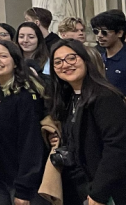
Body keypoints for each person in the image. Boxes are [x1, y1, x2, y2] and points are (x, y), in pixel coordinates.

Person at [47, 39, 126, 205]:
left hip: (104, 190)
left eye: (71, 58)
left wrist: (99, 193)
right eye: (58, 62)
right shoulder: (69, 97)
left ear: (85, 60)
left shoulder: (105, 97)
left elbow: (117, 148)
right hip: (78, 187)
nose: (65, 65)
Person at [0, 40, 45, 205]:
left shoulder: (26, 96)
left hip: (25, 184)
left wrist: (23, 189)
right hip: (1, 181)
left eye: (3, 56)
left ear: (16, 62)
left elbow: (31, 144)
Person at [92, 9, 126, 92]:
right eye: (96, 31)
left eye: (104, 32)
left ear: (119, 33)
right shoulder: (97, 57)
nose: (99, 36)